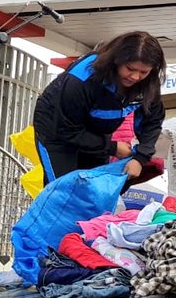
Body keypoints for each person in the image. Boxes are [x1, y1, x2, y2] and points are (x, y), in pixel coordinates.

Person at [32, 31, 166, 184]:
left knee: (94, 189)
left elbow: (152, 121)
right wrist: (112, 147)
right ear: (116, 61)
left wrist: (140, 158)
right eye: (130, 68)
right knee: (64, 189)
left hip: (98, 133)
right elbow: (66, 130)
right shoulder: (82, 80)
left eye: (143, 72)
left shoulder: (148, 83)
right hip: (57, 131)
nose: (135, 77)